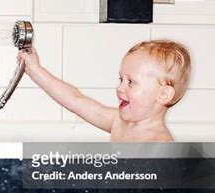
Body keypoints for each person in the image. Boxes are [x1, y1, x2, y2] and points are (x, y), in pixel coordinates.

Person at [17, 40, 191, 141]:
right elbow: (75, 100)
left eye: (131, 82)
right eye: (121, 79)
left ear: (163, 95)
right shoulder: (118, 121)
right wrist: (35, 70)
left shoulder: (159, 145)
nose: (120, 87)